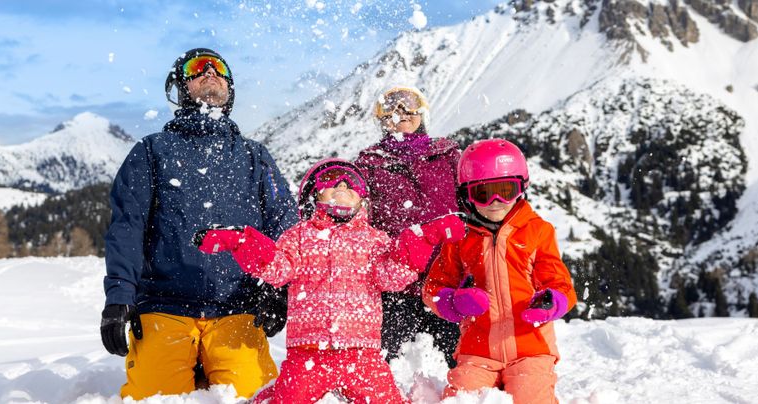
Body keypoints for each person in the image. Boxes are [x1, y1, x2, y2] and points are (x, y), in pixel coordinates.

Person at [99, 47, 299, 400]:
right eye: (197, 67)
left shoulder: (254, 156)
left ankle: (206, 365)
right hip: (165, 304)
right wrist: (119, 297)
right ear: (181, 87)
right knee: (156, 398)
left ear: (230, 87)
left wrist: (278, 289)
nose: (210, 72)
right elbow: (127, 227)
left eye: (219, 68)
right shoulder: (152, 151)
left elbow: (284, 226)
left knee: (253, 396)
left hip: (237, 306)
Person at [197, 159, 465, 404]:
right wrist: (242, 242)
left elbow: (393, 277)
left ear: (363, 199)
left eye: (352, 183)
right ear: (314, 193)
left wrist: (424, 238)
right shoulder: (298, 237)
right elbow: (277, 269)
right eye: (332, 179)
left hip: (363, 356)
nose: (343, 185)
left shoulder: (375, 240)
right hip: (307, 354)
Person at [422, 139, 577, 403]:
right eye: (483, 193)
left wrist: (551, 303)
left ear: (521, 187)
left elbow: (560, 284)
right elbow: (433, 288)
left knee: (531, 398)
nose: (495, 202)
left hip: (531, 349)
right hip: (477, 352)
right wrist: (453, 303)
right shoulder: (459, 238)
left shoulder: (538, 231)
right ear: (467, 195)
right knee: (460, 398)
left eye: (505, 191)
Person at [354, 86, 462, 364]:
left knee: (460, 364)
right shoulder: (368, 165)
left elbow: (472, 206)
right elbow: (358, 222)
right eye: (390, 106)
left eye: (408, 104)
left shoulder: (447, 156)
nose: (400, 112)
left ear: (423, 111)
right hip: (395, 287)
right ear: (380, 117)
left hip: (448, 279)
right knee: (388, 366)